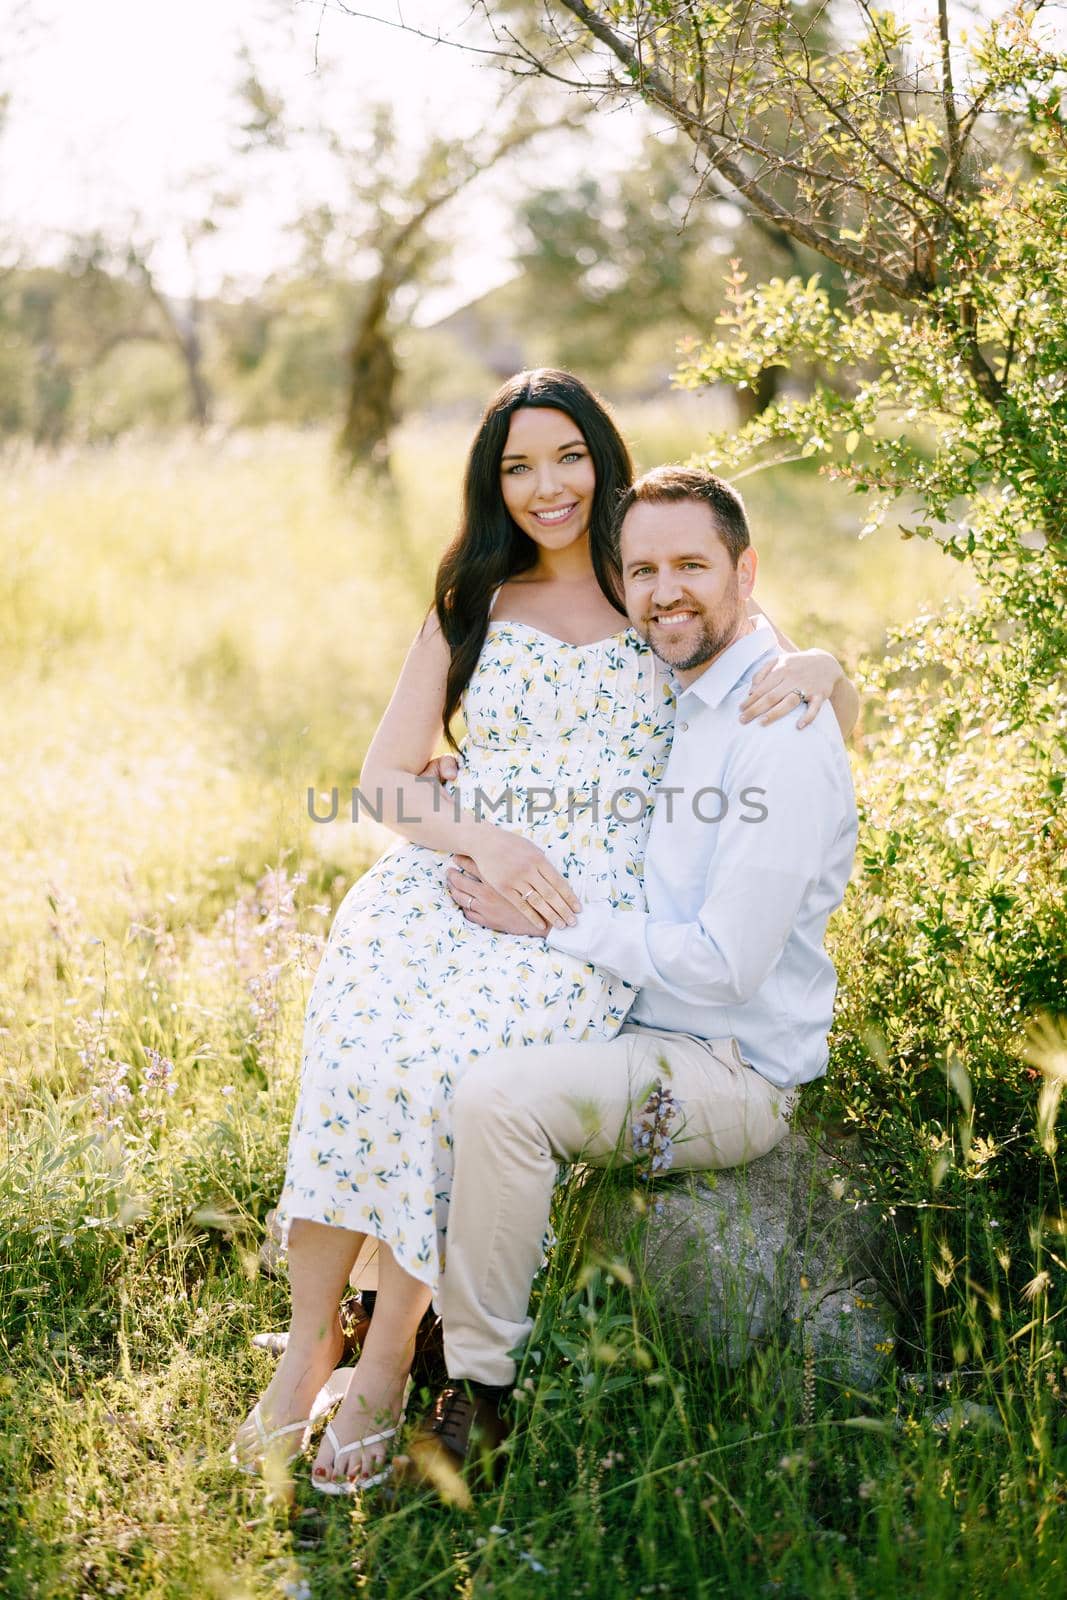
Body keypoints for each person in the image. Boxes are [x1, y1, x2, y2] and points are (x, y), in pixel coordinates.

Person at [231, 371, 858, 1492]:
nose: (546, 486)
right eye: (517, 466)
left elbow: (792, 696)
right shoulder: (472, 595)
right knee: (356, 1049)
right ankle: (304, 1345)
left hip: (585, 911)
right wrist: (486, 844)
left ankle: (384, 1366)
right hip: (459, 872)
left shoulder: (654, 585)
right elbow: (384, 777)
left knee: (448, 1075)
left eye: (566, 457)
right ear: (491, 481)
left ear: (602, 459)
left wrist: (828, 670)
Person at [397, 463, 858, 1487]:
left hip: (723, 1066)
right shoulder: (688, 679)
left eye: (689, 564)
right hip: (632, 1018)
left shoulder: (774, 732)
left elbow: (726, 966)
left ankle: (478, 1396)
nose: (662, 591)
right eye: (641, 569)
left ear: (745, 571)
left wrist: (555, 921)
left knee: (498, 1099)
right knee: (427, 1040)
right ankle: (392, 1327)